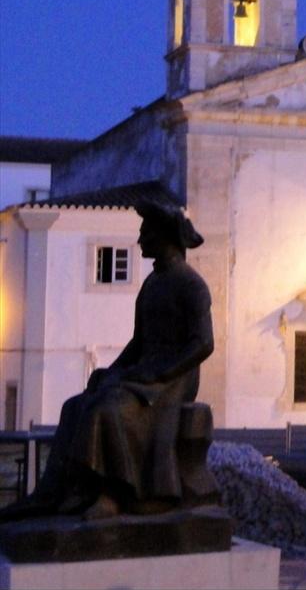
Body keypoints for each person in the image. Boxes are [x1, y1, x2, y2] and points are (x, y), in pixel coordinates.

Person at [1, 200, 213, 521]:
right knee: (74, 406)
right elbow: (138, 342)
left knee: (108, 408)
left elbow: (203, 343)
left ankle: (113, 493)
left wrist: (158, 373)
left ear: (165, 237)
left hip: (172, 380)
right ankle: (59, 492)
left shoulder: (191, 285)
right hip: (144, 373)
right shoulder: (152, 283)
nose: (140, 240)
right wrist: (111, 372)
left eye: (146, 233)